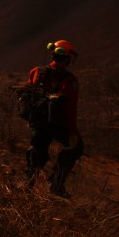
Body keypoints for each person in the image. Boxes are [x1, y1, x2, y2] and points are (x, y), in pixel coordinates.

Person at [23, 39, 84, 197]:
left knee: (37, 148)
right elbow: (70, 109)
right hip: (58, 123)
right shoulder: (70, 80)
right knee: (76, 148)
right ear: (67, 58)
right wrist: (73, 131)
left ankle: (28, 185)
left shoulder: (36, 71)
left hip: (38, 121)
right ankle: (56, 183)